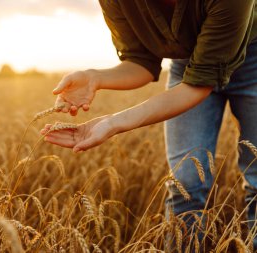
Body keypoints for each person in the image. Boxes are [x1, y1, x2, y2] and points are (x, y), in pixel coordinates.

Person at [41, 0, 257, 251]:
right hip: (188, 63)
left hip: (253, 59)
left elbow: (200, 83)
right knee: (186, 185)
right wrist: (96, 77)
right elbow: (141, 61)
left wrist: (114, 123)